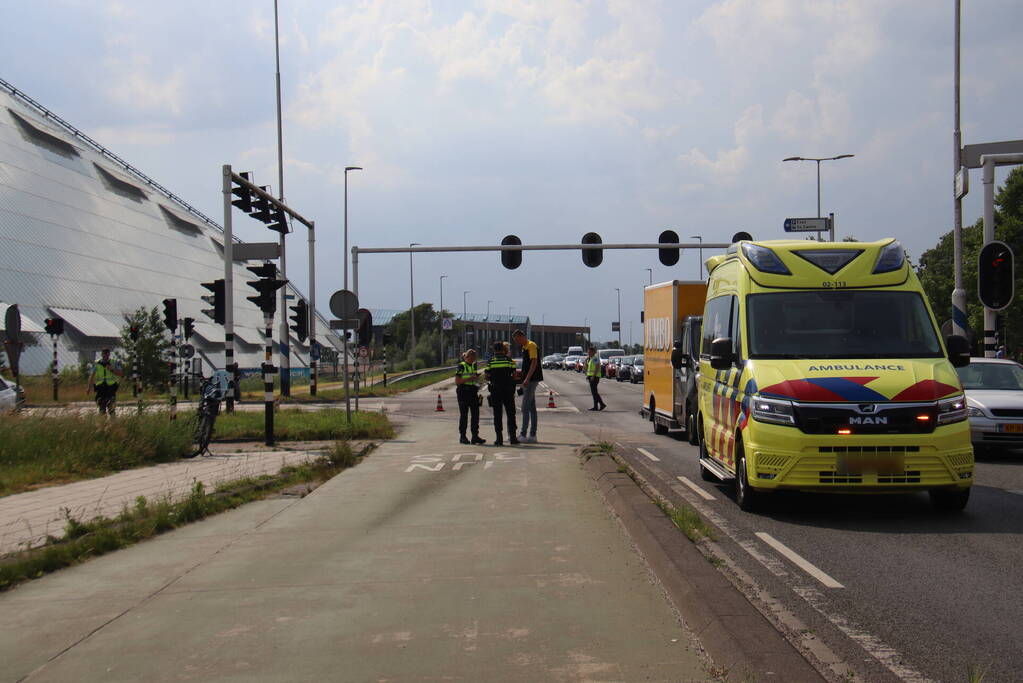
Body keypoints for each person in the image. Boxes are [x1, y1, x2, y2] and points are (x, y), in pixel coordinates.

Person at [485, 341, 520, 446]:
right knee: (511, 414)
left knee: (497, 415)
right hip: (508, 390)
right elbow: (514, 375)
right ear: (502, 349)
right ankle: (513, 438)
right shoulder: (509, 360)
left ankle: (499, 439)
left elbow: (486, 376)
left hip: (495, 390)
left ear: (494, 350)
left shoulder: (490, 361)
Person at [512, 329, 542, 443]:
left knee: (525, 407)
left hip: (532, 379)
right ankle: (533, 435)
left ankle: (523, 434)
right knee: (531, 408)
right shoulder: (525, 347)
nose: (517, 342)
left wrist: (527, 378)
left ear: (521, 336)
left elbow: (534, 363)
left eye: (517, 340)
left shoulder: (531, 345)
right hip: (529, 379)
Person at [454, 349, 486, 445]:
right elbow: (457, 381)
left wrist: (477, 381)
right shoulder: (461, 366)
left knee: (475, 415)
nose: (473, 360)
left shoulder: (473, 365)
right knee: (464, 415)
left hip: (472, 391)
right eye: (472, 358)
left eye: (474, 358)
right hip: (463, 392)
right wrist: (470, 378)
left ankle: (475, 436)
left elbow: (473, 378)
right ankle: (463, 436)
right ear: (467, 357)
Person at [87, 347, 122, 415]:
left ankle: (113, 421)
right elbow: (91, 376)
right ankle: (103, 422)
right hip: (100, 387)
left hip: (111, 386)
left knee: (111, 406)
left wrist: (112, 370)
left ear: (109, 354)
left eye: (107, 354)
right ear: (102, 354)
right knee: (101, 406)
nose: (105, 356)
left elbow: (121, 373)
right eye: (104, 354)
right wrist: (89, 387)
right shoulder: (97, 363)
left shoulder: (114, 362)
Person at [585, 346, 607, 411]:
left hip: (594, 377)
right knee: (594, 392)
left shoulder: (595, 358)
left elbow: (597, 367)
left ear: (593, 352)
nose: (588, 353)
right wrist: (586, 362)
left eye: (589, 352)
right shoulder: (590, 359)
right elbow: (586, 368)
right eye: (588, 352)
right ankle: (596, 406)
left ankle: (601, 404)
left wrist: (593, 376)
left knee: (594, 392)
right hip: (591, 376)